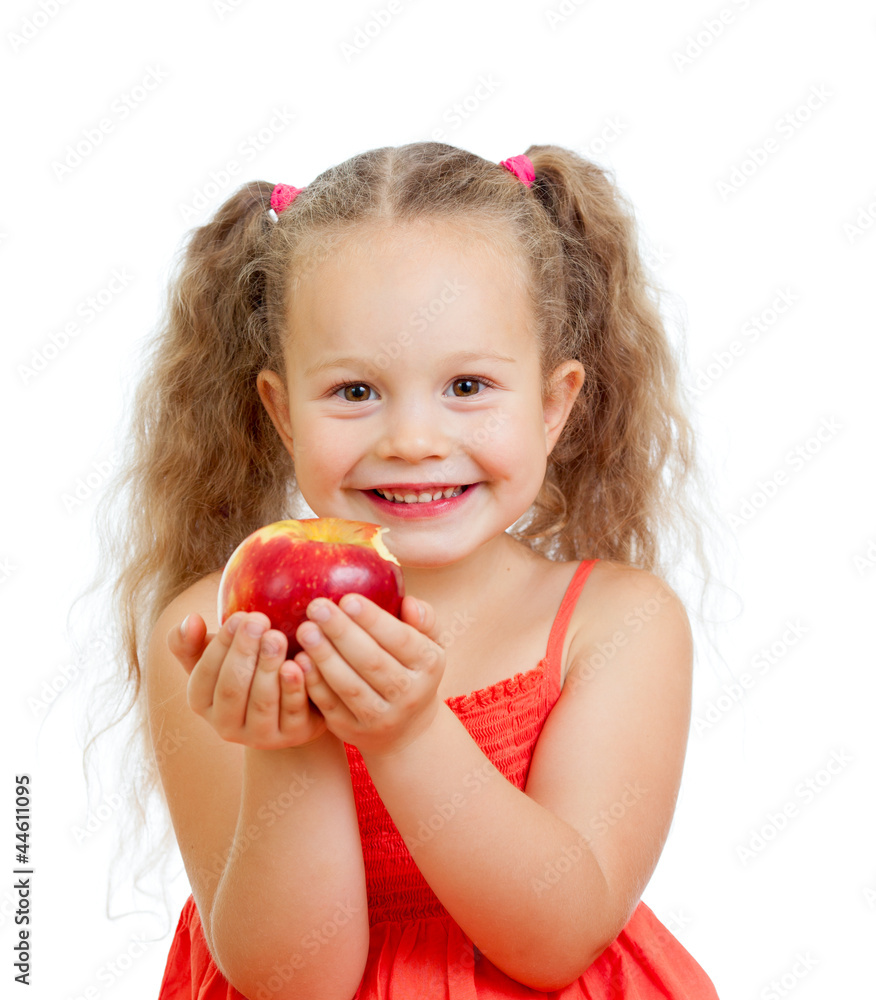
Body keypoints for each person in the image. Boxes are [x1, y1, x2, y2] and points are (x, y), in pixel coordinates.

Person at [104, 142, 723, 998]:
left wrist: (407, 734)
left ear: (553, 405)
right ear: (282, 413)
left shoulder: (614, 624)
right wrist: (291, 745)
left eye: (468, 385)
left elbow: (557, 938)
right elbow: (294, 983)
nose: (413, 440)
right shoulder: (217, 631)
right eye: (356, 392)